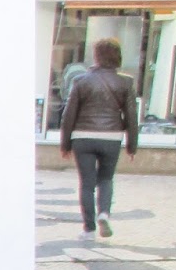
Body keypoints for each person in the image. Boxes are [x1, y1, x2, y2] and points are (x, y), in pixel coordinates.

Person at [59, 37, 138, 238]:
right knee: (106, 178)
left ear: (96, 56)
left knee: (86, 183)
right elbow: (131, 115)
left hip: (83, 137)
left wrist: (65, 144)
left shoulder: (81, 81)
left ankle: (89, 228)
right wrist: (132, 145)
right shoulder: (125, 82)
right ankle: (104, 213)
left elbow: (69, 115)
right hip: (111, 137)